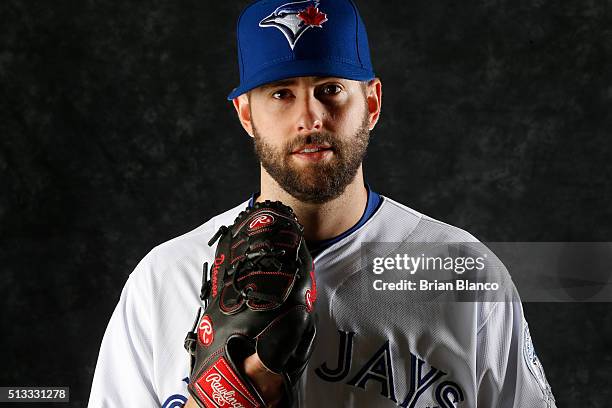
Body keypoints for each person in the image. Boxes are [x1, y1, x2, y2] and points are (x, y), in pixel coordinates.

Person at [88, 0, 556, 407]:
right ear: (246, 114)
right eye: (281, 94)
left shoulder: (462, 269)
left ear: (370, 103)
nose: (309, 117)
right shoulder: (167, 276)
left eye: (330, 89)